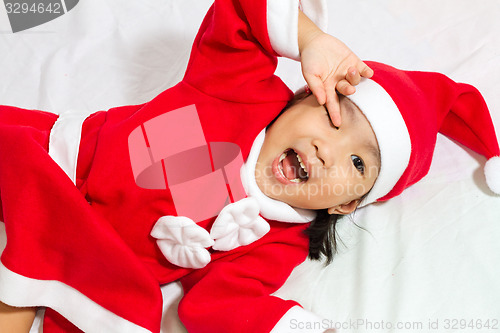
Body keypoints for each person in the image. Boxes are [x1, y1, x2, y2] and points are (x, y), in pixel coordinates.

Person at [1, 1, 500, 333]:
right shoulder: (240, 89)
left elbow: (217, 305)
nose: (329, 150)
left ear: (348, 203)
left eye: (356, 161)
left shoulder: (277, 241)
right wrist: (310, 40)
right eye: (333, 117)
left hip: (98, 263)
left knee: (49, 300)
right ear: (305, 93)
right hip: (56, 166)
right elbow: (240, 10)